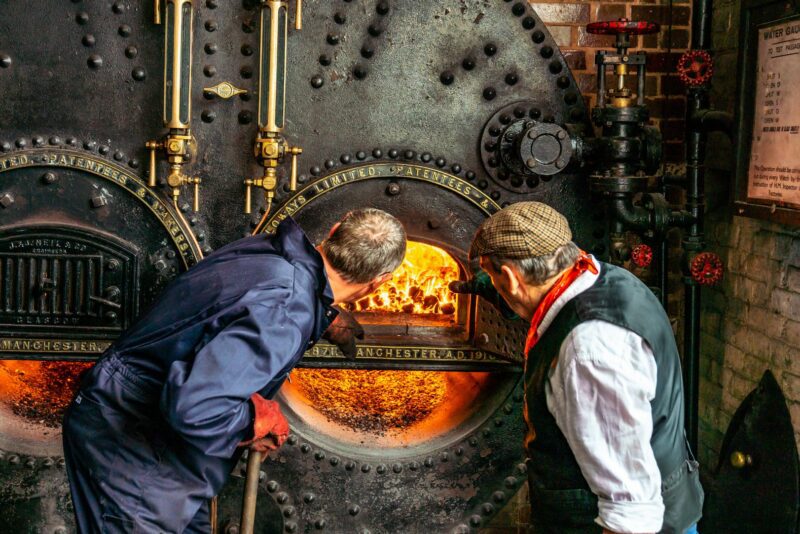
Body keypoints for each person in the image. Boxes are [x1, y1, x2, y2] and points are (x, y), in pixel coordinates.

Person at [62, 208, 406, 533]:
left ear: (333, 232)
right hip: (134, 449)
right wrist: (253, 421)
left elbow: (236, 308)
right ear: (379, 282)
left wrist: (321, 313)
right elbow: (196, 408)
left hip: (162, 450)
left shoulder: (269, 254)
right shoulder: (285, 312)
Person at [451, 202, 703, 534]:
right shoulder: (605, 279)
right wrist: (493, 289)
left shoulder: (589, 351)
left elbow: (630, 510)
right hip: (670, 496)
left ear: (511, 278)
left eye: (497, 280)